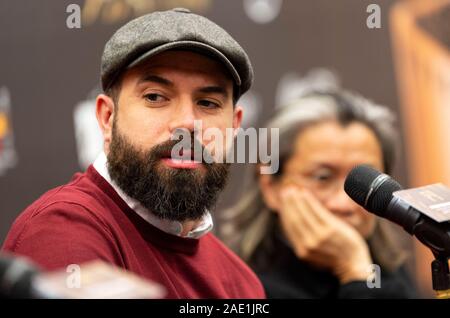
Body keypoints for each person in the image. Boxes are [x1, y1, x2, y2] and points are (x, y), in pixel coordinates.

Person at [2, 8, 265, 299]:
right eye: (155, 97)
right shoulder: (63, 232)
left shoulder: (241, 283)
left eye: (208, 103)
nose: (187, 124)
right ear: (107, 118)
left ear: (234, 125)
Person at [221, 82, 418, 298]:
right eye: (323, 177)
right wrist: (354, 271)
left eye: (364, 182)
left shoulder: (386, 269)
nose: (345, 204)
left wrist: (359, 268)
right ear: (270, 187)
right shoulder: (241, 286)